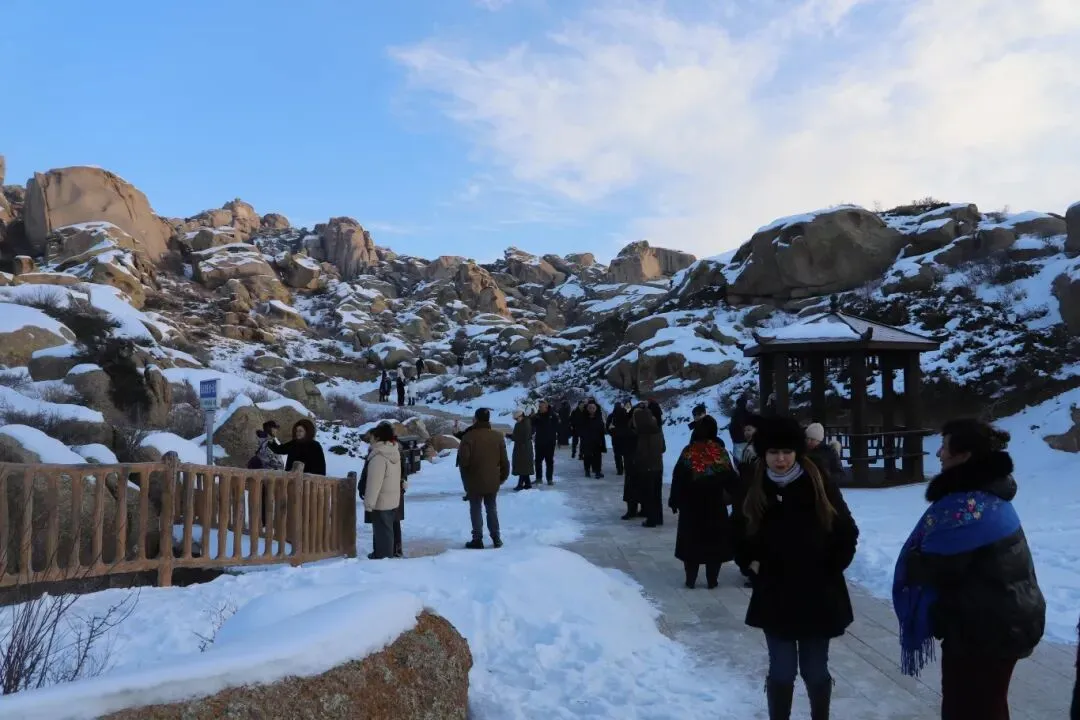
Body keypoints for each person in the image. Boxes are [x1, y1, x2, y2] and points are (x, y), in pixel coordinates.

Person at [892, 419, 1045, 720]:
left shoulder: (967, 508)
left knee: (968, 708)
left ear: (964, 455)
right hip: (1003, 621)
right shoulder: (988, 495)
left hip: (986, 632)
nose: (938, 453)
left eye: (944, 447)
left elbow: (939, 568)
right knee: (988, 704)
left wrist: (914, 561)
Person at [736, 415, 859, 720]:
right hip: (775, 593)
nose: (780, 459)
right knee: (782, 670)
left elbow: (846, 531)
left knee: (815, 670)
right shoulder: (755, 485)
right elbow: (737, 531)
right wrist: (750, 562)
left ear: (796, 452)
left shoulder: (818, 482)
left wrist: (831, 567)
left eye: (786, 452)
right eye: (773, 452)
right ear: (764, 454)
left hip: (818, 593)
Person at [669, 415, 738, 589]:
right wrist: (737, 495)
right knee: (714, 543)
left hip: (691, 505)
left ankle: (690, 579)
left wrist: (675, 500)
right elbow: (731, 478)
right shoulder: (719, 452)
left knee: (691, 543)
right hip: (715, 504)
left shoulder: (689, 451)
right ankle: (712, 580)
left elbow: (678, 477)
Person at [457, 408, 510, 548]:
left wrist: (466, 480)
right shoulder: (497, 436)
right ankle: (496, 537)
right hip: (493, 480)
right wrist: (501, 478)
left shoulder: (468, 437)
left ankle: (477, 539)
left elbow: (464, 462)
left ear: (476, 419)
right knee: (491, 508)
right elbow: (504, 461)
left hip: (474, 480)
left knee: (475, 508)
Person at [362, 422, 403, 559]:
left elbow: (374, 483)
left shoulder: (379, 457)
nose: (370, 440)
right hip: (392, 500)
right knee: (387, 530)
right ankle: (380, 554)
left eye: (372, 437)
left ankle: (384, 558)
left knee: (382, 532)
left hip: (381, 501)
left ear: (378, 438)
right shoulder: (393, 451)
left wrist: (369, 504)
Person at [629, 403, 665, 527]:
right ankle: (658, 518)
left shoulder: (643, 434)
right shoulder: (657, 430)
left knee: (649, 494)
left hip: (646, 467)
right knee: (657, 494)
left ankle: (651, 519)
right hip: (658, 466)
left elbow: (641, 453)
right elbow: (663, 448)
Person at [532, 400, 558, 485]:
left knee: (549, 461)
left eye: (541, 407)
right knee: (538, 461)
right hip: (539, 442)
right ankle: (538, 478)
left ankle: (549, 479)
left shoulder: (553, 416)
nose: (539, 408)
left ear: (546, 407)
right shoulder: (537, 415)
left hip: (550, 442)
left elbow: (558, 427)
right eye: (539, 406)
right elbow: (532, 425)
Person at [579, 400, 607, 478]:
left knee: (597, 456)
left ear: (596, 408)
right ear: (587, 408)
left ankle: (598, 471)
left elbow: (602, 428)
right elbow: (580, 428)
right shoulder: (584, 417)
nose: (591, 409)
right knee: (587, 456)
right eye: (590, 408)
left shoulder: (599, 416)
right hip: (587, 440)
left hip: (597, 440)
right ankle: (587, 471)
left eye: (593, 408)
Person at [511, 408, 535, 491]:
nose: (516, 420)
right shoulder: (522, 423)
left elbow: (522, 437)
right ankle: (527, 483)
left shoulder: (525, 424)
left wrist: (510, 436)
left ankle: (520, 484)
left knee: (523, 465)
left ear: (521, 416)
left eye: (516, 418)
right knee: (524, 466)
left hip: (524, 448)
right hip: (522, 447)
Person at [607, 401, 632, 476]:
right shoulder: (626, 414)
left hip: (616, 438)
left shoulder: (611, 416)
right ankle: (627, 468)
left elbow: (608, 427)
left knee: (617, 455)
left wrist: (612, 433)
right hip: (626, 438)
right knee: (626, 454)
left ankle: (619, 470)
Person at [729, 394, 752, 459]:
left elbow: (732, 427)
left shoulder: (735, 413)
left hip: (737, 441)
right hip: (745, 441)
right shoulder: (746, 414)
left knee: (739, 460)